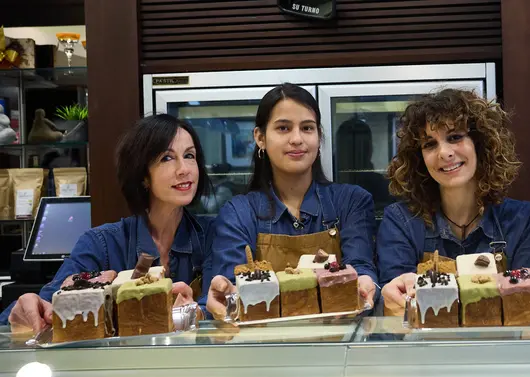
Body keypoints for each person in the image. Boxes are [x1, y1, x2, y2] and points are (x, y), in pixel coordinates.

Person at [377, 88, 530, 377]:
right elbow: (398, 318)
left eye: (455, 137)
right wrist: (393, 297)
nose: (445, 153)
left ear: (480, 143)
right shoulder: (400, 221)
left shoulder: (521, 220)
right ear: (418, 156)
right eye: (429, 144)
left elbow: (529, 315)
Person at [2, 114, 213, 332]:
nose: (184, 169)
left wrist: (197, 311)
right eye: (167, 158)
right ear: (143, 175)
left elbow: (220, 308)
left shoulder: (214, 235)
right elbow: (47, 306)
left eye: (189, 155)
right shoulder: (101, 244)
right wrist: (25, 310)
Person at [204, 83, 377, 318]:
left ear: (318, 136)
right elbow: (229, 285)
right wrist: (224, 297)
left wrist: (366, 284)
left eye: (307, 128)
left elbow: (361, 265)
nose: (297, 139)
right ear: (260, 137)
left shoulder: (351, 202)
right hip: (264, 347)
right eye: (283, 128)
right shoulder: (238, 213)